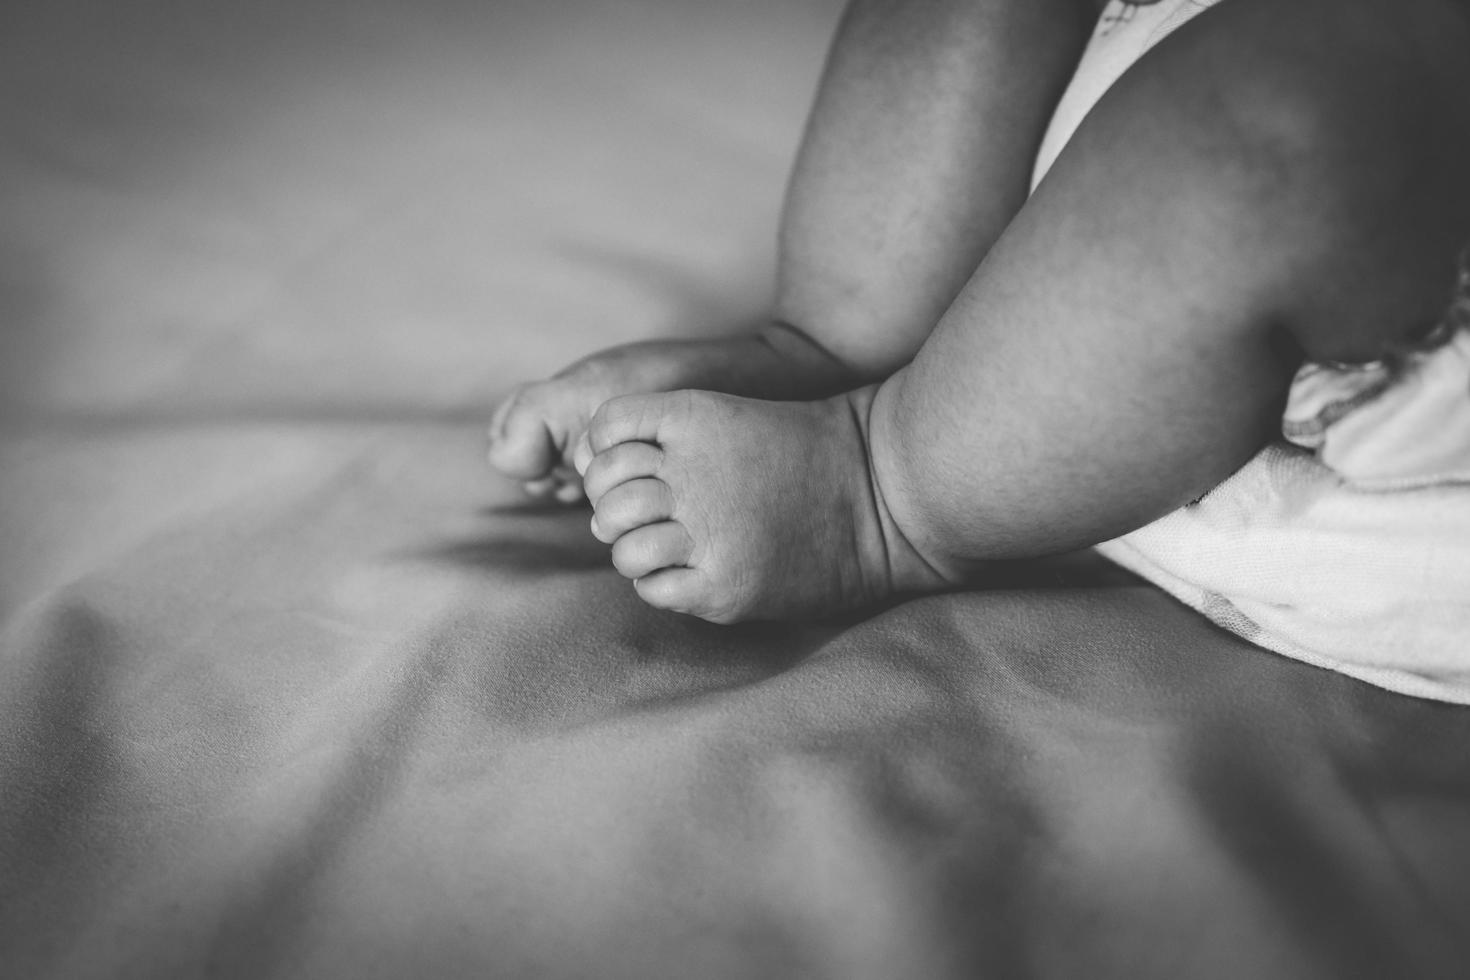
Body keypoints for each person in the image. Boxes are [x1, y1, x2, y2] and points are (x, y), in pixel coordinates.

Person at [488, 0, 1470, 699]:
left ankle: (881, 485)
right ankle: (834, 335)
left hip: (1379, 256)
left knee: (1278, 124)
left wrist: (888, 477)